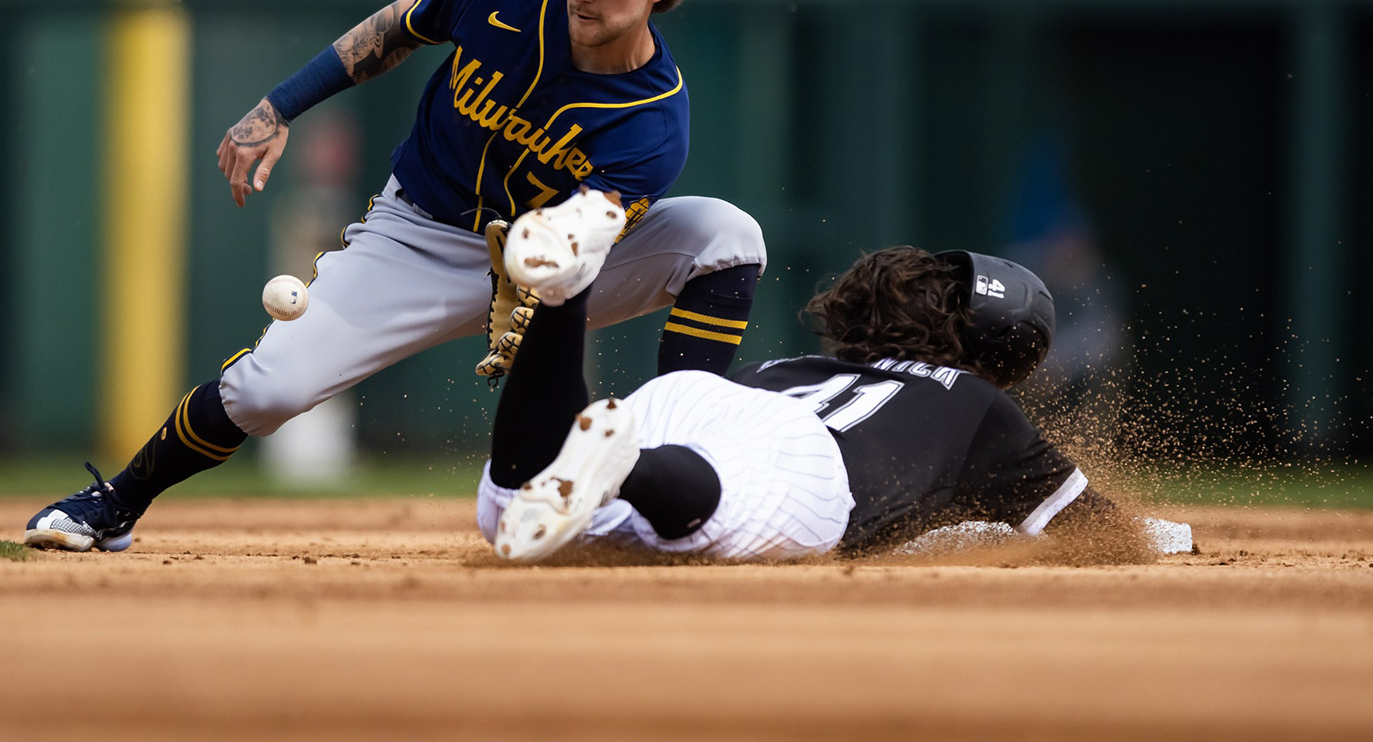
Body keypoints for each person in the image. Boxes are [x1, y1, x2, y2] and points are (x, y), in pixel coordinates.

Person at [25, 0, 766, 552]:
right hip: (418, 235)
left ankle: (677, 463)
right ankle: (115, 503)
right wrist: (280, 106)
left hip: (554, 270)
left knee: (727, 235)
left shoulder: (653, 123)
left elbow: (591, 229)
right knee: (267, 391)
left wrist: (544, 288)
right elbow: (399, 26)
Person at [479, 199, 1190, 562]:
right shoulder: (973, 404)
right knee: (718, 523)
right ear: (1005, 357)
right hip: (792, 459)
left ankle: (563, 297)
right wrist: (1177, 537)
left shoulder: (787, 364)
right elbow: (1105, 535)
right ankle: (625, 463)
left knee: (516, 494)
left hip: (692, 399)